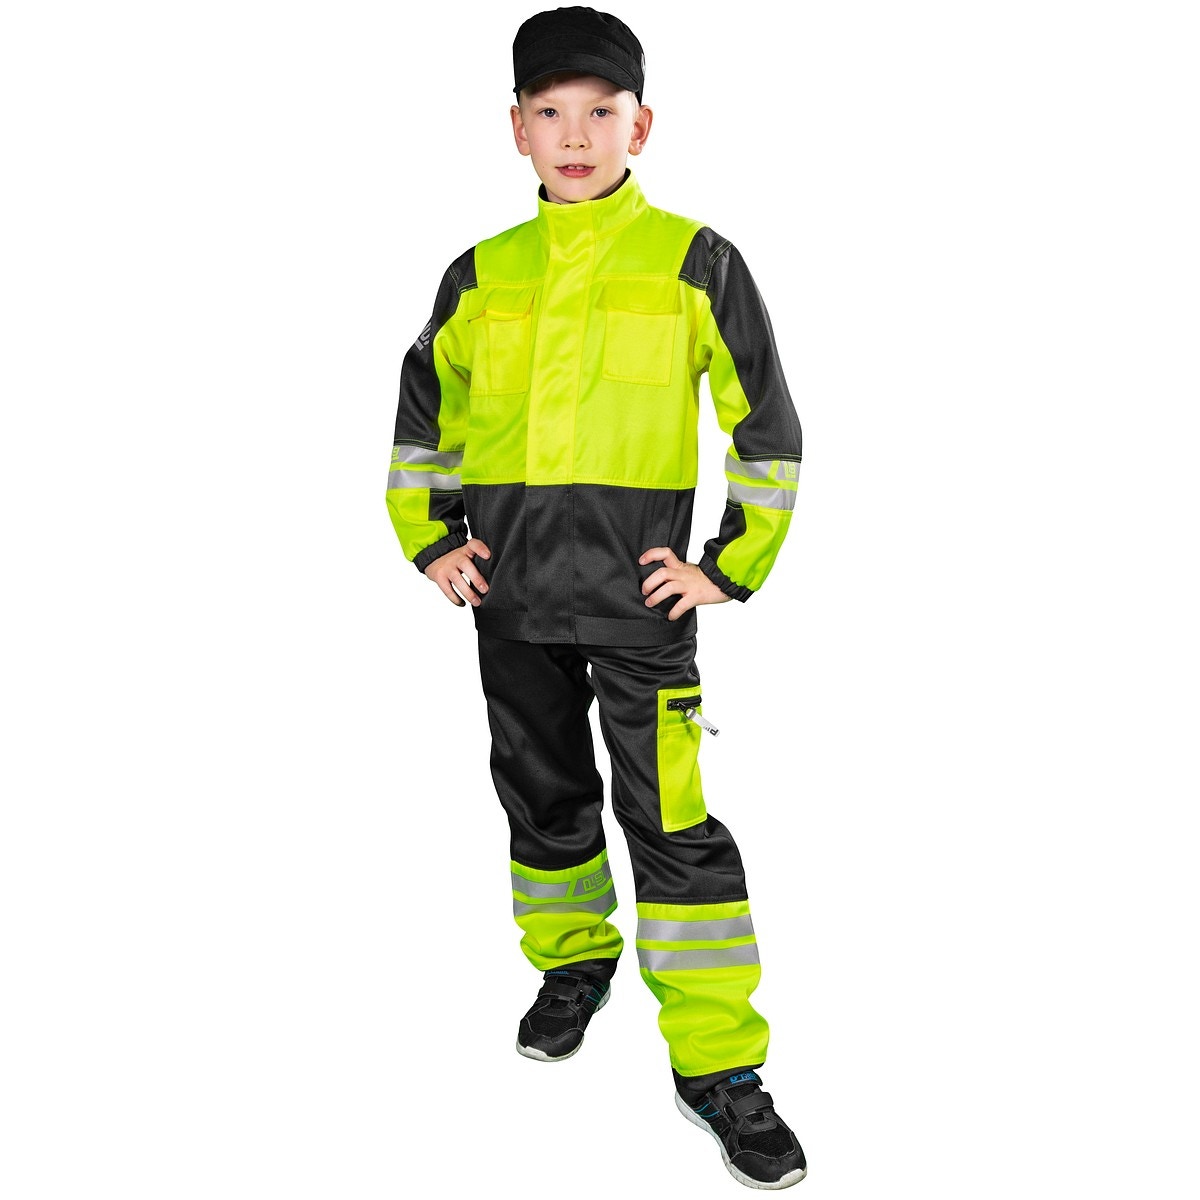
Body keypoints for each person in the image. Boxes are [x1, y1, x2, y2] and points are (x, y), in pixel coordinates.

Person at [386, 6, 806, 1189]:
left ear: (642, 125)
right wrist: (430, 541)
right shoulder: (482, 274)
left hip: (639, 609)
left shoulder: (694, 260)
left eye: (601, 112)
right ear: (516, 129)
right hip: (511, 602)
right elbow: (425, 415)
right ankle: (573, 961)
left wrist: (729, 564)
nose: (576, 135)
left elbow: (766, 425)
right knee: (542, 799)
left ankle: (719, 1066)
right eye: (551, 113)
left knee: (672, 826)